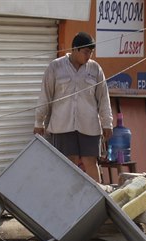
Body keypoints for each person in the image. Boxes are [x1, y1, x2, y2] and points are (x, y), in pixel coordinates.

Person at [34, 32, 113, 182]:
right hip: (62, 125)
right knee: (68, 164)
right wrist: (39, 122)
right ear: (75, 49)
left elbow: (103, 98)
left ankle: (99, 199)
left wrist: (107, 123)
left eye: (91, 52)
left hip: (89, 126)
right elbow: (45, 95)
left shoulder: (95, 69)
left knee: (91, 163)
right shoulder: (55, 67)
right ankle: (68, 199)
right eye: (85, 52)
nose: (88, 56)